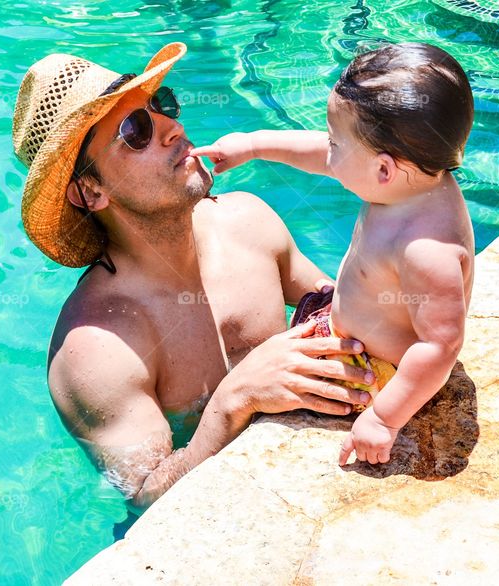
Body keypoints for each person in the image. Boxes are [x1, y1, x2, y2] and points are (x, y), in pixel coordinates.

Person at [11, 42, 376, 512]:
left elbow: (344, 307)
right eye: (135, 130)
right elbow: (146, 499)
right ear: (90, 191)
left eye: (159, 106)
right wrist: (236, 399)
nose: (172, 127)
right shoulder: (97, 348)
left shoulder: (248, 222)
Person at [191, 42, 476, 467]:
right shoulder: (406, 179)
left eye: (335, 143)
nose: (328, 152)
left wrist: (383, 417)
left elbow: (440, 345)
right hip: (354, 329)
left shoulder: (426, 250)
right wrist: (252, 144)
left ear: (383, 169)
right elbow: (317, 155)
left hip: (375, 373)